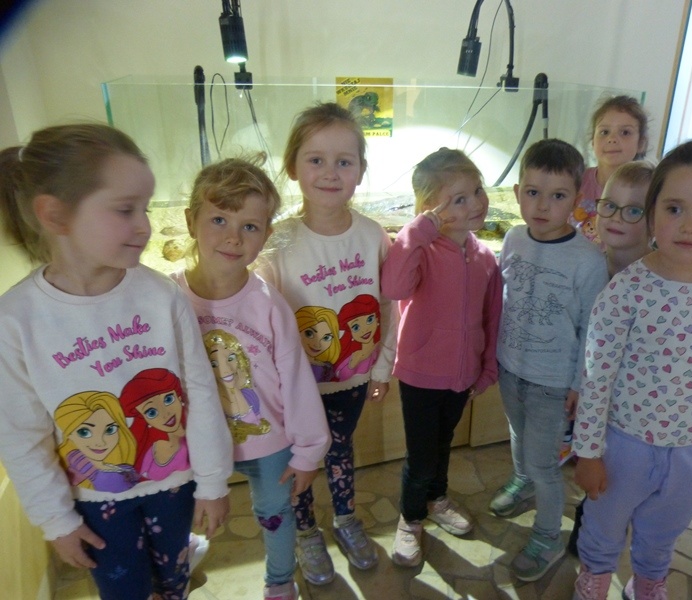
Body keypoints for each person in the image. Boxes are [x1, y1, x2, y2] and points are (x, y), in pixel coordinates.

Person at [0, 123, 232, 600]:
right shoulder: (16, 319)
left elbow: (199, 391)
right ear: (55, 215)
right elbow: (22, 436)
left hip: (175, 487)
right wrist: (56, 520)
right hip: (93, 503)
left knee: (174, 581)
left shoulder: (162, 295)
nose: (145, 226)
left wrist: (213, 482)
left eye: (144, 207)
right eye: (126, 209)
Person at [572, 137, 692, 600]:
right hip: (623, 446)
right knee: (604, 524)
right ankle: (595, 575)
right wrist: (589, 451)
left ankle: (649, 580)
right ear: (653, 211)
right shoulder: (626, 291)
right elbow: (596, 376)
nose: (689, 226)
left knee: (662, 532)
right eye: (674, 208)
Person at [173, 156, 331, 600]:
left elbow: (296, 381)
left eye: (249, 226)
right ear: (190, 221)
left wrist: (308, 451)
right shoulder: (166, 298)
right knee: (179, 514)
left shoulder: (269, 303)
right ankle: (174, 569)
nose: (233, 237)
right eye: (219, 219)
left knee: (276, 515)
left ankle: (279, 582)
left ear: (266, 234)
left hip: (268, 443)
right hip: (192, 445)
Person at [257, 102, 397, 585]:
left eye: (344, 161)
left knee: (341, 449)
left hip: (352, 379)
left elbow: (388, 308)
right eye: (316, 159)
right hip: (295, 389)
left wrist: (382, 368)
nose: (330, 172)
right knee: (298, 460)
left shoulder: (374, 236)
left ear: (361, 169)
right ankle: (305, 530)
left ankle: (345, 517)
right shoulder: (276, 243)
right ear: (293, 166)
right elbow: (262, 324)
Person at [493, 139, 609, 582]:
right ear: (518, 192)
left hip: (553, 381)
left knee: (545, 463)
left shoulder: (588, 259)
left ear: (577, 199)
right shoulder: (512, 238)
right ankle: (522, 481)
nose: (542, 206)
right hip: (510, 367)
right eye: (533, 192)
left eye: (557, 195)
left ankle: (547, 536)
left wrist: (580, 384)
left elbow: (592, 330)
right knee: (518, 435)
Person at [380, 148, 503, 567]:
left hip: (462, 375)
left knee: (443, 444)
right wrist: (419, 229)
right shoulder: (421, 250)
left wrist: (487, 368)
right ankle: (411, 517)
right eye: (459, 199)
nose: (476, 204)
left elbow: (492, 316)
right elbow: (394, 288)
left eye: (477, 191)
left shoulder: (485, 257)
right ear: (431, 209)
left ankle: (437, 498)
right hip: (420, 374)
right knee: (420, 457)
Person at [566, 159, 656, 557]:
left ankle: (600, 533)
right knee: (590, 469)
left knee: (616, 481)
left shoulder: (654, 284)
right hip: (587, 398)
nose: (616, 217)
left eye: (633, 210)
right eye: (609, 205)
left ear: (654, 221)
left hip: (630, 413)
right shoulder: (589, 266)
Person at [570, 95, 649, 242]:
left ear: (641, 143)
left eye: (625, 132)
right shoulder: (576, 180)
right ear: (593, 141)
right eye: (604, 132)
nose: (612, 139)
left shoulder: (647, 190)